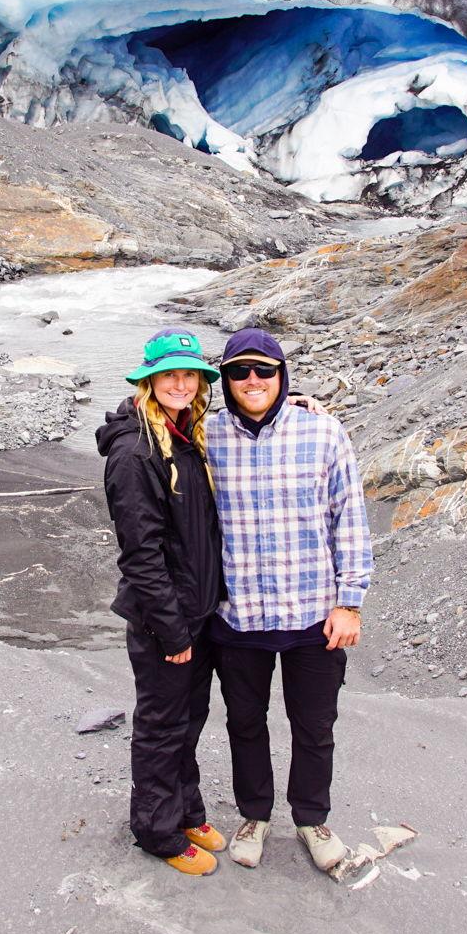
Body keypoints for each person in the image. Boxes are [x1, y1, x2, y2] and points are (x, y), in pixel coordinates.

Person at [204, 327, 372, 873]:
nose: (252, 381)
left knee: (314, 725)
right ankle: (254, 814)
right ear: (224, 380)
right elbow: (148, 410)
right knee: (245, 722)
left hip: (313, 613)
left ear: (282, 375)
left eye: (264, 371)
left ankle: (311, 818)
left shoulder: (323, 432)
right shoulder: (203, 437)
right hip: (239, 614)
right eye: (239, 372)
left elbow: (350, 519)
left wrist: (350, 602)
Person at [96, 330, 231, 878]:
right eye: (169, 373)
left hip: (195, 613)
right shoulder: (134, 451)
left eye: (190, 373)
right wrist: (172, 631)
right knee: (161, 724)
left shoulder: (183, 433)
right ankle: (156, 829)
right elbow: (142, 554)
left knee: (190, 718)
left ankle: (186, 808)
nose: (180, 382)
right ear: (148, 379)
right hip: (164, 622)